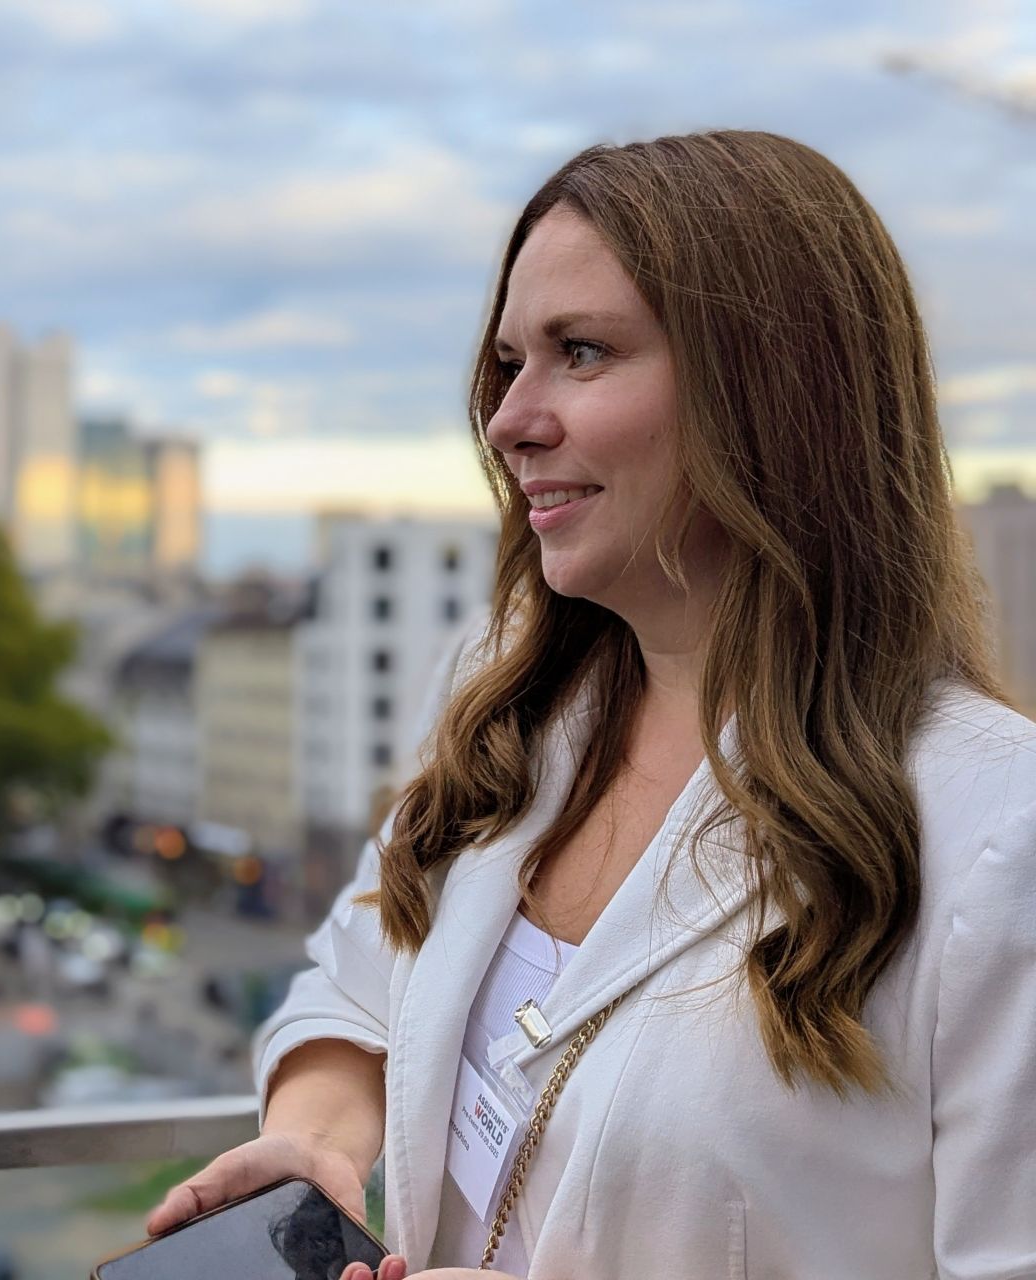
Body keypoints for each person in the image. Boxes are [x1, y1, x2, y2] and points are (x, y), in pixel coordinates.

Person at [145, 129, 1036, 1279]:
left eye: (581, 351)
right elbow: (359, 982)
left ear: (776, 390)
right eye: (510, 361)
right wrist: (317, 1137)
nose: (509, 418)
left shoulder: (995, 829)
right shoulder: (503, 698)